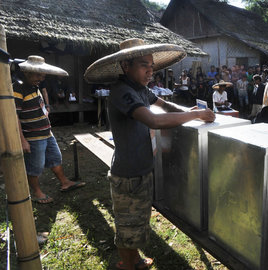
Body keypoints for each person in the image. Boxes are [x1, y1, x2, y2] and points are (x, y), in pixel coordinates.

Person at [84, 38, 215, 270]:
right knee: (127, 224)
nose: (150, 71)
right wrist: (195, 116)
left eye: (152, 66)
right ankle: (127, 264)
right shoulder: (121, 92)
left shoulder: (140, 90)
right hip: (128, 173)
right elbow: (154, 119)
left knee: (137, 220)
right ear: (126, 66)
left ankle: (135, 260)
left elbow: (164, 106)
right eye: (144, 65)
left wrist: (188, 110)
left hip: (141, 167)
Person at [14, 56, 86, 204]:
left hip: (47, 132)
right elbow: (14, 117)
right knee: (35, 166)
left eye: (43, 74)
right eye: (38, 74)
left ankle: (65, 182)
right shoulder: (18, 89)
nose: (41, 77)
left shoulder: (35, 87)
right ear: (27, 72)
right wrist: (22, 140)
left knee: (55, 158)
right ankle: (36, 193)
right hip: (33, 137)